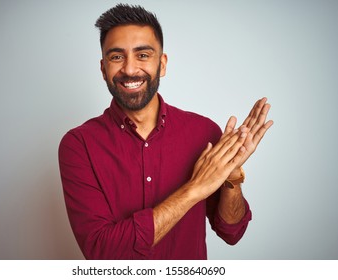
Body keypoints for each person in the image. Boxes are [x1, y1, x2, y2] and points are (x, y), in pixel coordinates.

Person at [58, 4, 273, 260]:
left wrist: (231, 178)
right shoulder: (78, 145)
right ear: (103, 68)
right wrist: (194, 190)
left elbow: (232, 232)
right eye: (117, 57)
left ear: (162, 64)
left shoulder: (203, 132)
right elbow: (103, 253)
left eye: (143, 55)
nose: (129, 69)